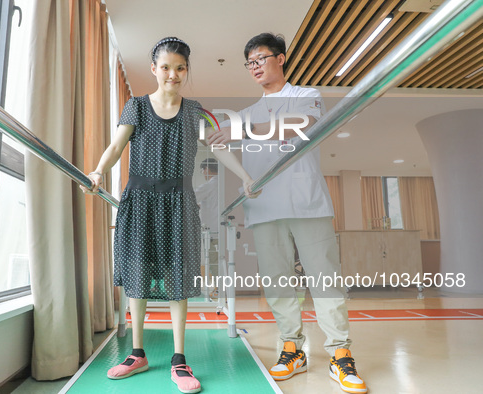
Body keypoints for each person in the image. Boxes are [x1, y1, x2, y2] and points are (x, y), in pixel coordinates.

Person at [81, 37, 257, 394]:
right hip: (140, 199)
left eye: (180, 68)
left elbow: (219, 149)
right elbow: (116, 146)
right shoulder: (136, 106)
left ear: (187, 70)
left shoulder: (195, 111)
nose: (173, 74)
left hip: (178, 200)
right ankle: (137, 353)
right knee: (138, 273)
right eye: (166, 67)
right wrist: (98, 171)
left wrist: (245, 177)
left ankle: (179, 359)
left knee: (179, 278)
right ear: (154, 69)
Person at [207, 33, 367, 394]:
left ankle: (341, 354)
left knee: (324, 278)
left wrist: (239, 130)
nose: (255, 67)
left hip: (307, 202)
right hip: (263, 207)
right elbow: (221, 146)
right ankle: (291, 348)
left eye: (260, 58)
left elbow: (298, 127)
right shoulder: (246, 113)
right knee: (278, 282)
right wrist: (244, 174)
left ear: (281, 58)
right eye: (249, 62)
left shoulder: (305, 96)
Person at [194, 158, 219, 297]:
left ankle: (219, 290)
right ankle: (220, 288)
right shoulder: (221, 184)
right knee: (218, 260)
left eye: (202, 170)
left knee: (214, 260)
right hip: (218, 227)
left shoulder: (210, 184)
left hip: (212, 230)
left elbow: (191, 196)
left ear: (206, 170)